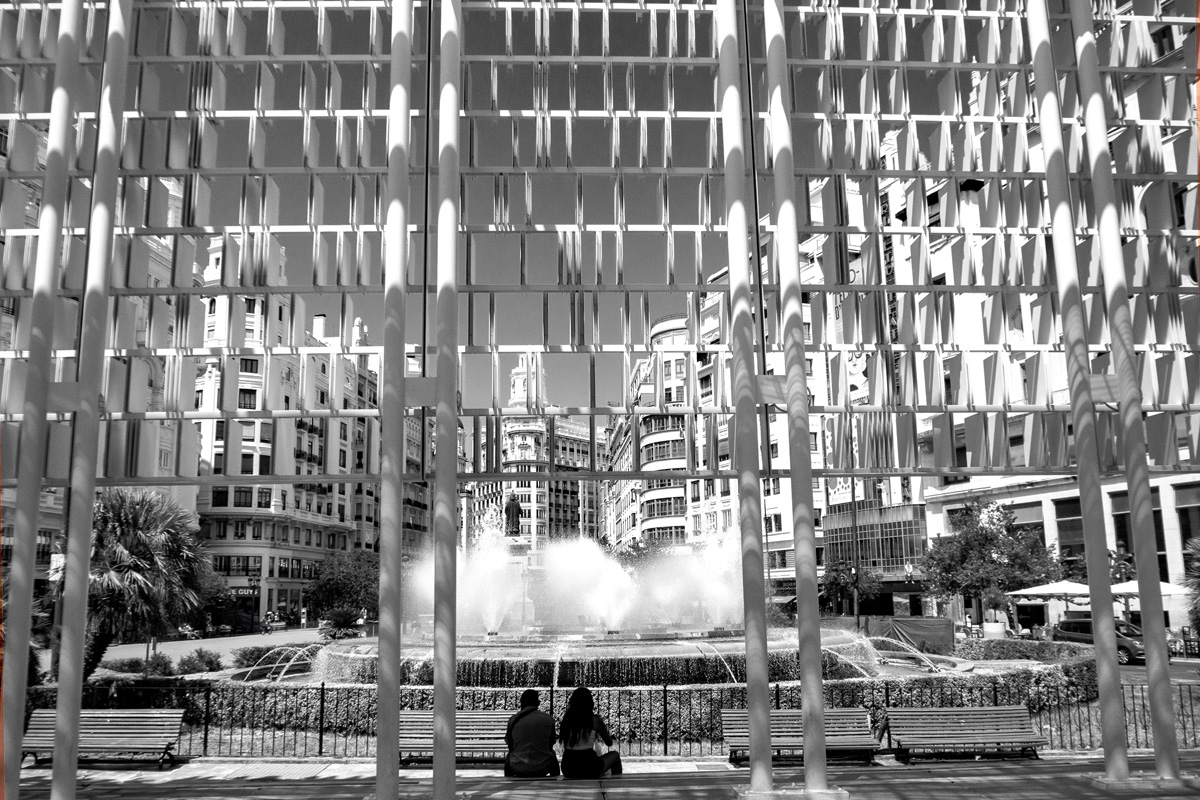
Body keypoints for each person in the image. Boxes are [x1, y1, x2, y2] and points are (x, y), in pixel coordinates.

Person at [558, 686, 621, 780]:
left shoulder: (567, 720)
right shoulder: (595, 721)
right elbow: (609, 742)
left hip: (568, 767)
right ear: (590, 703)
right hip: (590, 767)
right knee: (615, 755)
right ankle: (617, 785)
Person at [504, 689, 559, 778]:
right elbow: (551, 742)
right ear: (538, 703)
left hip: (518, 767)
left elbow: (510, 744)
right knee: (553, 757)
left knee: (508, 759)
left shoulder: (513, 720)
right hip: (543, 766)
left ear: (521, 703)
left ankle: (508, 786)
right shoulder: (548, 719)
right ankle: (556, 786)